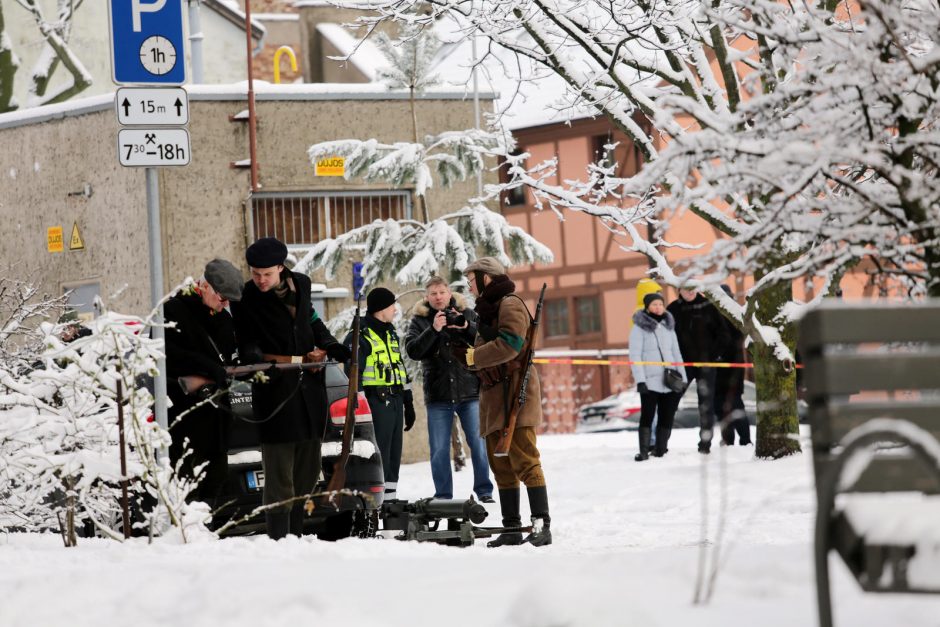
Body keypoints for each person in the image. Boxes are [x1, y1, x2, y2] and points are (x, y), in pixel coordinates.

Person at [231, 237, 352, 540]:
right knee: (279, 477)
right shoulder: (245, 297)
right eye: (255, 273)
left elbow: (310, 319)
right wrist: (256, 356)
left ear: (281, 268)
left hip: (309, 393)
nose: (260, 280)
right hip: (275, 395)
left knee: (307, 473)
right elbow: (246, 342)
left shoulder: (301, 284)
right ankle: (279, 540)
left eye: (267, 274)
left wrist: (331, 345)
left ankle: (296, 538)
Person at [456, 257, 551, 547]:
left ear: (486, 277)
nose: (469, 286)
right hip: (494, 395)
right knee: (502, 467)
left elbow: (511, 344)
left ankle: (541, 525)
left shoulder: (509, 303)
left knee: (525, 461)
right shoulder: (488, 309)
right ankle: (512, 528)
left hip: (514, 395)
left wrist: (474, 357)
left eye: (472, 280)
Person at [405, 276, 494, 503]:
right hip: (438, 395)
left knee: (478, 443)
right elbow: (413, 351)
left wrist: (465, 326)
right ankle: (443, 495)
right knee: (438, 450)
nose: (438, 297)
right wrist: (433, 330)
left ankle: (484, 491)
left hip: (469, 391)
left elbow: (484, 340)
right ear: (427, 296)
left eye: (442, 292)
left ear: (449, 293)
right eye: (433, 293)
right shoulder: (419, 320)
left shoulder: (467, 313)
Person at [164, 259, 243, 503]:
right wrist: (207, 367)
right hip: (185, 420)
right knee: (186, 490)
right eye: (222, 298)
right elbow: (165, 354)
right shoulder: (173, 311)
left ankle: (205, 535)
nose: (225, 304)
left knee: (216, 482)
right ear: (205, 286)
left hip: (217, 421)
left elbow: (230, 356)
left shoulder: (224, 319)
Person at [345, 287, 415, 501]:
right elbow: (353, 371)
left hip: (394, 401)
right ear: (381, 308)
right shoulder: (361, 334)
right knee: (380, 454)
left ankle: (390, 502)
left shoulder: (390, 333)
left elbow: (399, 368)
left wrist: (408, 402)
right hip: (375, 401)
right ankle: (376, 504)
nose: (395, 309)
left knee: (394, 456)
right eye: (392, 305)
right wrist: (362, 405)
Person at [667, 287, 730, 454]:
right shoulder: (672, 309)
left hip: (706, 365)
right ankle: (661, 443)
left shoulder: (708, 306)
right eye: (686, 289)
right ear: (678, 290)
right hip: (682, 365)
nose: (690, 292)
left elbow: (724, 335)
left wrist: (713, 356)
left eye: (693, 289)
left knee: (706, 405)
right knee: (671, 401)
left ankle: (705, 444)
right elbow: (664, 337)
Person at [629, 293, 686, 461]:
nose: (658, 307)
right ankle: (644, 451)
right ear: (647, 306)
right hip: (649, 380)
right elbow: (635, 356)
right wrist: (640, 380)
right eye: (654, 304)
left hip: (669, 379)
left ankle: (661, 449)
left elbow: (676, 353)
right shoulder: (639, 328)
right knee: (647, 415)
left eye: (660, 304)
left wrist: (682, 377)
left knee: (667, 414)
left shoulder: (669, 327)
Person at [715, 284, 752, 446]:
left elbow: (734, 339)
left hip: (731, 367)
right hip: (719, 367)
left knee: (733, 404)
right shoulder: (715, 313)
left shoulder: (735, 314)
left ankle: (743, 439)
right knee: (721, 406)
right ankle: (729, 439)